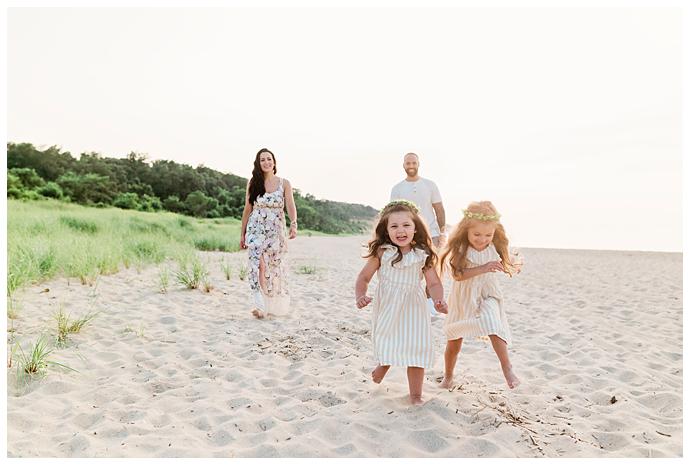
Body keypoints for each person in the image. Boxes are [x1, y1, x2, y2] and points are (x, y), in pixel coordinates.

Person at [355, 200, 448, 405]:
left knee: (416, 347)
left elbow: (433, 283)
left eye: (406, 225)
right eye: (394, 226)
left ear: (416, 228)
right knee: (390, 340)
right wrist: (360, 295)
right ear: (386, 231)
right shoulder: (382, 252)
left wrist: (438, 299)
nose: (401, 230)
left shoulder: (422, 255)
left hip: (414, 307)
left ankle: (416, 395)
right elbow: (363, 277)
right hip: (388, 306)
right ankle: (380, 370)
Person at [439, 201, 522, 389]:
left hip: (488, 293)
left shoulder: (494, 246)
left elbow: (509, 260)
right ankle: (448, 376)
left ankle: (507, 368)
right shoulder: (461, 249)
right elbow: (457, 275)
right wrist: (483, 268)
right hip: (463, 297)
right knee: (454, 342)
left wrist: (512, 265)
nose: (482, 239)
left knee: (493, 323)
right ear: (466, 230)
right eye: (476, 234)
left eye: (488, 235)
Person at [240, 148, 297, 319]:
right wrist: (242, 233)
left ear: (274, 162)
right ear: (258, 163)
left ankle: (269, 303)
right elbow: (247, 208)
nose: (266, 162)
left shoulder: (284, 183)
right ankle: (260, 305)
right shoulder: (253, 183)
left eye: (269, 159)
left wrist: (293, 224)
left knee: (273, 266)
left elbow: (290, 206)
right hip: (256, 229)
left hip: (275, 231)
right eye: (262, 160)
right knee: (258, 264)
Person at [390, 152, 446, 248]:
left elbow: (439, 209)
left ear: (418, 164)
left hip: (432, 234)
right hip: (408, 236)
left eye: (414, 163)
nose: (411, 166)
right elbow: (392, 214)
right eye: (408, 163)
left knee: (433, 263)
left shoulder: (430, 185)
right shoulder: (397, 188)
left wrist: (442, 233)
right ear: (404, 165)